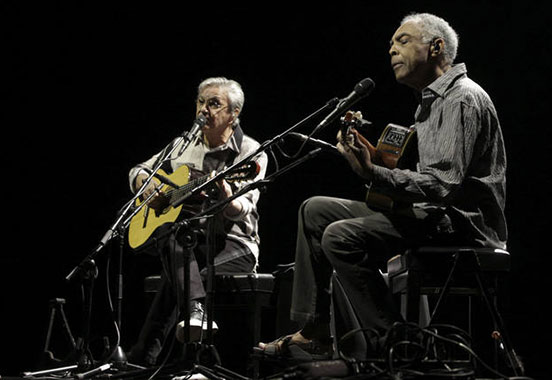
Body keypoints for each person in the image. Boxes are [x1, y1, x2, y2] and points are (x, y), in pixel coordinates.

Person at [257, 12, 507, 358]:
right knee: (314, 210)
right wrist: (370, 157)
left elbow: (442, 186)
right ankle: (315, 328)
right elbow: (417, 174)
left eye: (402, 41)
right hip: (432, 214)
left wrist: (372, 173)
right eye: (390, 44)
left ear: (436, 48)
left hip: (462, 223)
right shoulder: (429, 104)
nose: (391, 50)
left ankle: (397, 341)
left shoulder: (460, 98)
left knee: (340, 236)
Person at [127, 77, 268, 365]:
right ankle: (184, 342)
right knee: (173, 235)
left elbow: (242, 209)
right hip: (189, 242)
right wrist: (145, 180)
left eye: (214, 104)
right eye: (201, 102)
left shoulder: (250, 152)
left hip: (235, 244)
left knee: (179, 275)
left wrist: (226, 193)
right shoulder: (181, 146)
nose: (204, 109)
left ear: (233, 113)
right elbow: (138, 170)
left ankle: (149, 356)